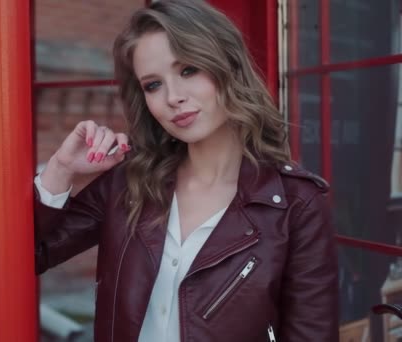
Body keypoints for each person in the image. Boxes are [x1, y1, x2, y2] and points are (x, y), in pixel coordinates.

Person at [33, 0, 338, 341]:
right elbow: (26, 255)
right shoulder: (129, 183)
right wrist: (61, 168)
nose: (173, 97)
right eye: (153, 85)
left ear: (228, 66)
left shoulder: (296, 204)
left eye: (188, 70)